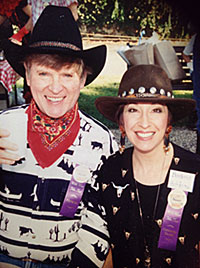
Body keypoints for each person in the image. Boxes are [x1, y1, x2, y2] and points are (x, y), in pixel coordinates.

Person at [0, 5, 118, 268]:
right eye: (43, 73)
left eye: (67, 74)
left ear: (83, 78)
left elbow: (101, 214)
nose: (55, 87)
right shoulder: (4, 126)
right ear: (27, 76)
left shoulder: (101, 141)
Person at [95, 64, 200, 268]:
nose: (144, 123)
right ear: (121, 121)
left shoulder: (195, 171)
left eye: (156, 110)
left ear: (168, 119)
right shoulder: (110, 171)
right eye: (133, 110)